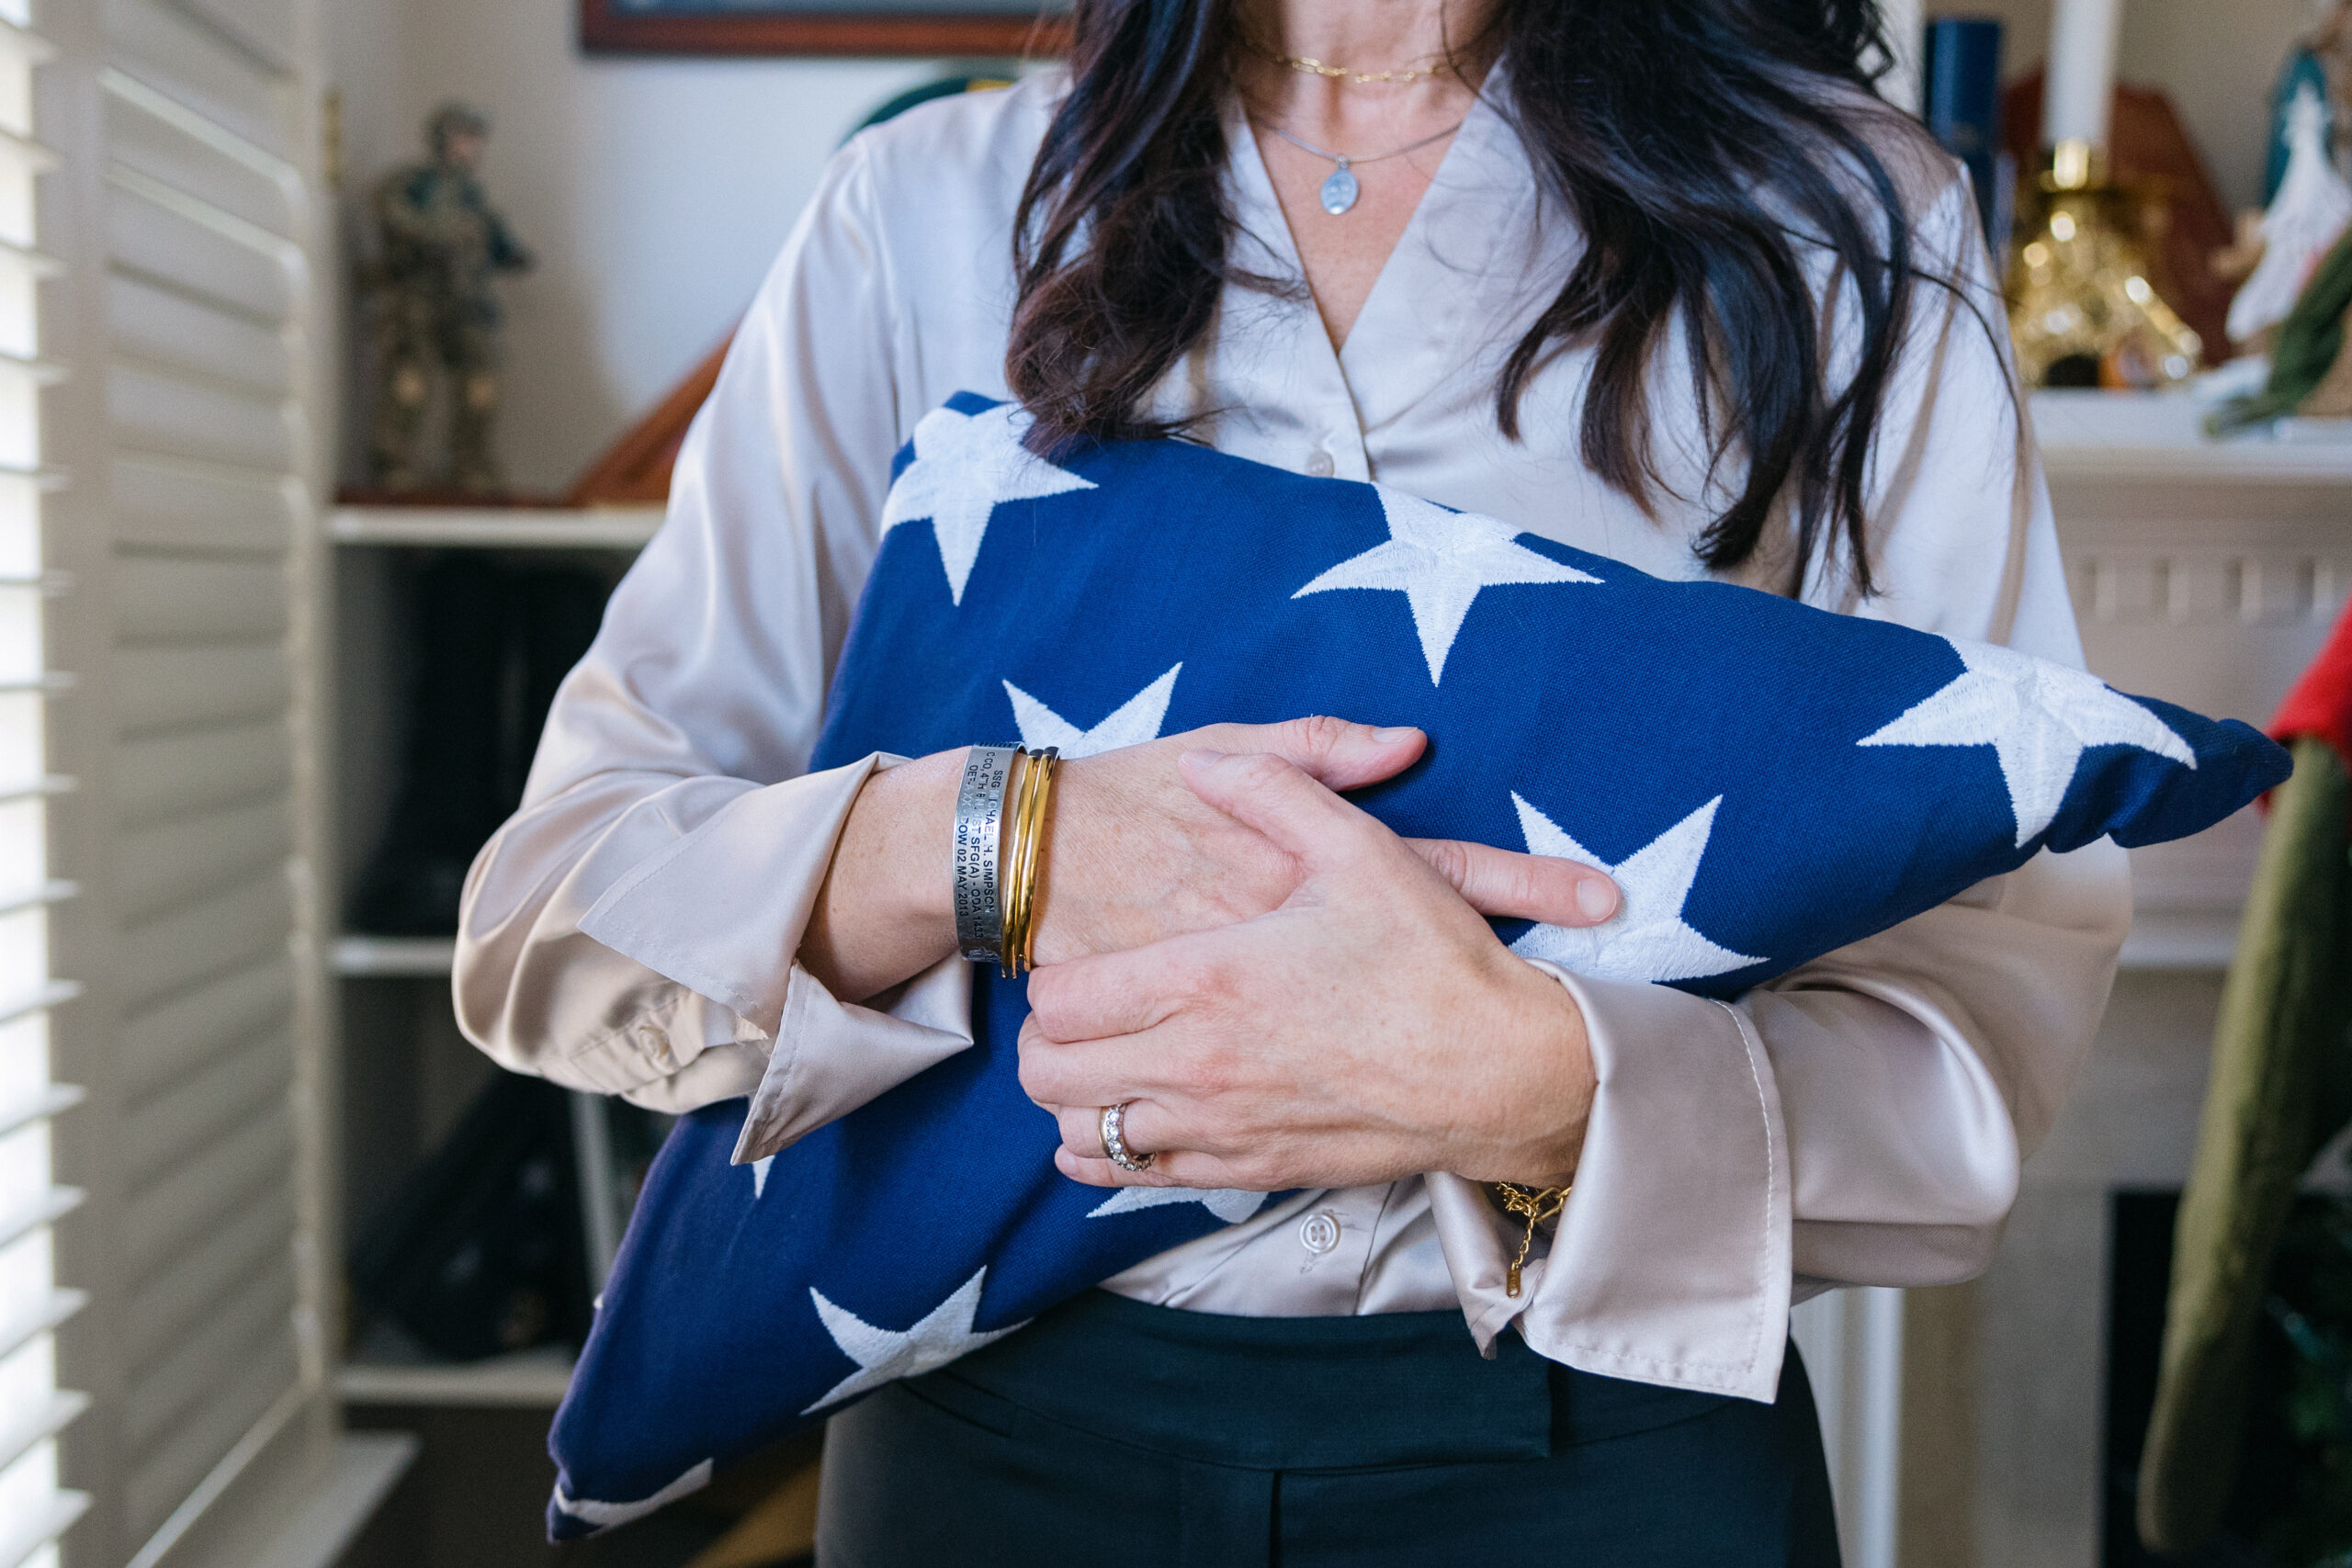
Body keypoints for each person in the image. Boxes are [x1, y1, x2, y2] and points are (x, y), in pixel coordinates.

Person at [455, 0, 2129, 1559]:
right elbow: (557, 912)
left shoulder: (1845, 218)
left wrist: (1529, 1082)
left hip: (1604, 1454)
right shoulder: (919, 216)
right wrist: (1010, 840)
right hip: (989, 1448)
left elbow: (1978, 1018)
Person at [368, 102, 535, 492]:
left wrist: (509, 252)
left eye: (476, 140)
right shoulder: (413, 186)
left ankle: (469, 466)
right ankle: (396, 464)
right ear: (445, 140)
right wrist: (436, 236)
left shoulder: (473, 199)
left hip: (468, 303)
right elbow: (393, 215)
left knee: (480, 386)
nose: (472, 148)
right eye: (465, 138)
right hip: (421, 299)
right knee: (409, 382)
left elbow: (498, 243)